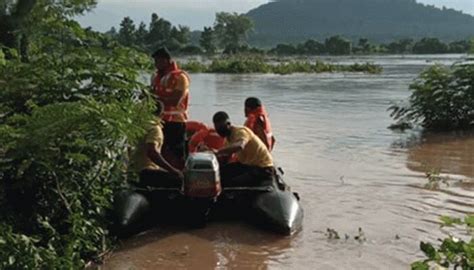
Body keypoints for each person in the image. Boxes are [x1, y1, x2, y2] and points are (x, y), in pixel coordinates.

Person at [151, 47, 190, 167]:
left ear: (166, 60)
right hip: (159, 120)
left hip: (176, 122)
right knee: (160, 151)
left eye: (158, 61)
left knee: (176, 154)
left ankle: (179, 177)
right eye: (155, 61)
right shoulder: (155, 77)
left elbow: (176, 101)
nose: (156, 64)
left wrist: (155, 99)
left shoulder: (180, 77)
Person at [212, 111, 275, 187]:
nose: (219, 131)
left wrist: (218, 151)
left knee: (230, 183)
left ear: (228, 124)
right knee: (220, 174)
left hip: (262, 167)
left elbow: (240, 146)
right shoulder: (227, 139)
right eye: (217, 128)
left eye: (221, 127)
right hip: (247, 165)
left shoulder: (241, 132)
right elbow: (225, 158)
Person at [131, 101, 183, 188]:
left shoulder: (137, 125)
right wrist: (173, 170)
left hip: (132, 170)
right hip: (144, 171)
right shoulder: (155, 129)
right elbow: (152, 152)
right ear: (162, 115)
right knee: (178, 179)